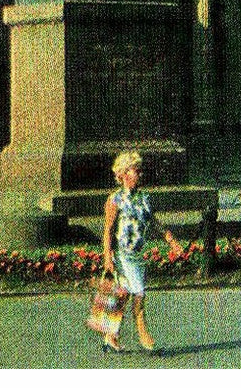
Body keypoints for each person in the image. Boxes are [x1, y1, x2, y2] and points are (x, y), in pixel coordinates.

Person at [102, 150, 184, 354]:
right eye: (134, 171)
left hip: (138, 256)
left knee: (124, 294)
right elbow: (108, 230)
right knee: (139, 293)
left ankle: (110, 335)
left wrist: (172, 241)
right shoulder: (115, 200)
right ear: (122, 175)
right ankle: (143, 334)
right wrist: (107, 256)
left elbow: (154, 223)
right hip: (122, 255)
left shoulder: (144, 198)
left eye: (139, 171)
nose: (138, 174)